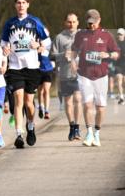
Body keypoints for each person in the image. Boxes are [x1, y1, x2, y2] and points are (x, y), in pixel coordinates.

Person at [0, 0, 51, 149]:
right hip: (15, 68)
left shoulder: (35, 22)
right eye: (18, 3)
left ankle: (30, 125)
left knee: (29, 104)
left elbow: (47, 43)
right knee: (18, 100)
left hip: (32, 68)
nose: (21, 5)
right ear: (15, 6)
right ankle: (18, 134)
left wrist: (39, 47)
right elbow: (3, 44)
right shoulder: (10, 23)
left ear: (28, 5)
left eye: (23, 3)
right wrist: (5, 49)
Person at [68, 9, 121, 147]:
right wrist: (73, 62)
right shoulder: (80, 35)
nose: (91, 25)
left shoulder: (106, 35)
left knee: (101, 107)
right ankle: (89, 132)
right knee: (86, 103)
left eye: (94, 23)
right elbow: (73, 50)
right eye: (89, 23)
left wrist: (108, 55)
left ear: (99, 20)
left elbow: (116, 53)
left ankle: (97, 133)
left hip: (101, 75)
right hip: (84, 74)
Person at [51, 13, 83, 141]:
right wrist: (63, 55)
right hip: (65, 74)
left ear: (78, 22)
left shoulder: (83, 36)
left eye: (74, 22)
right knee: (68, 102)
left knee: (78, 98)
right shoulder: (59, 37)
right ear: (65, 23)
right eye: (69, 22)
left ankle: (77, 127)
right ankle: (72, 126)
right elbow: (51, 56)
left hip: (80, 73)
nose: (71, 24)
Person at [114, 28, 125, 103]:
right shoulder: (115, 44)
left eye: (121, 34)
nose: (119, 36)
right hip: (118, 64)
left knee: (124, 81)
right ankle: (121, 96)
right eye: (118, 34)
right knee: (119, 78)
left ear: (124, 35)